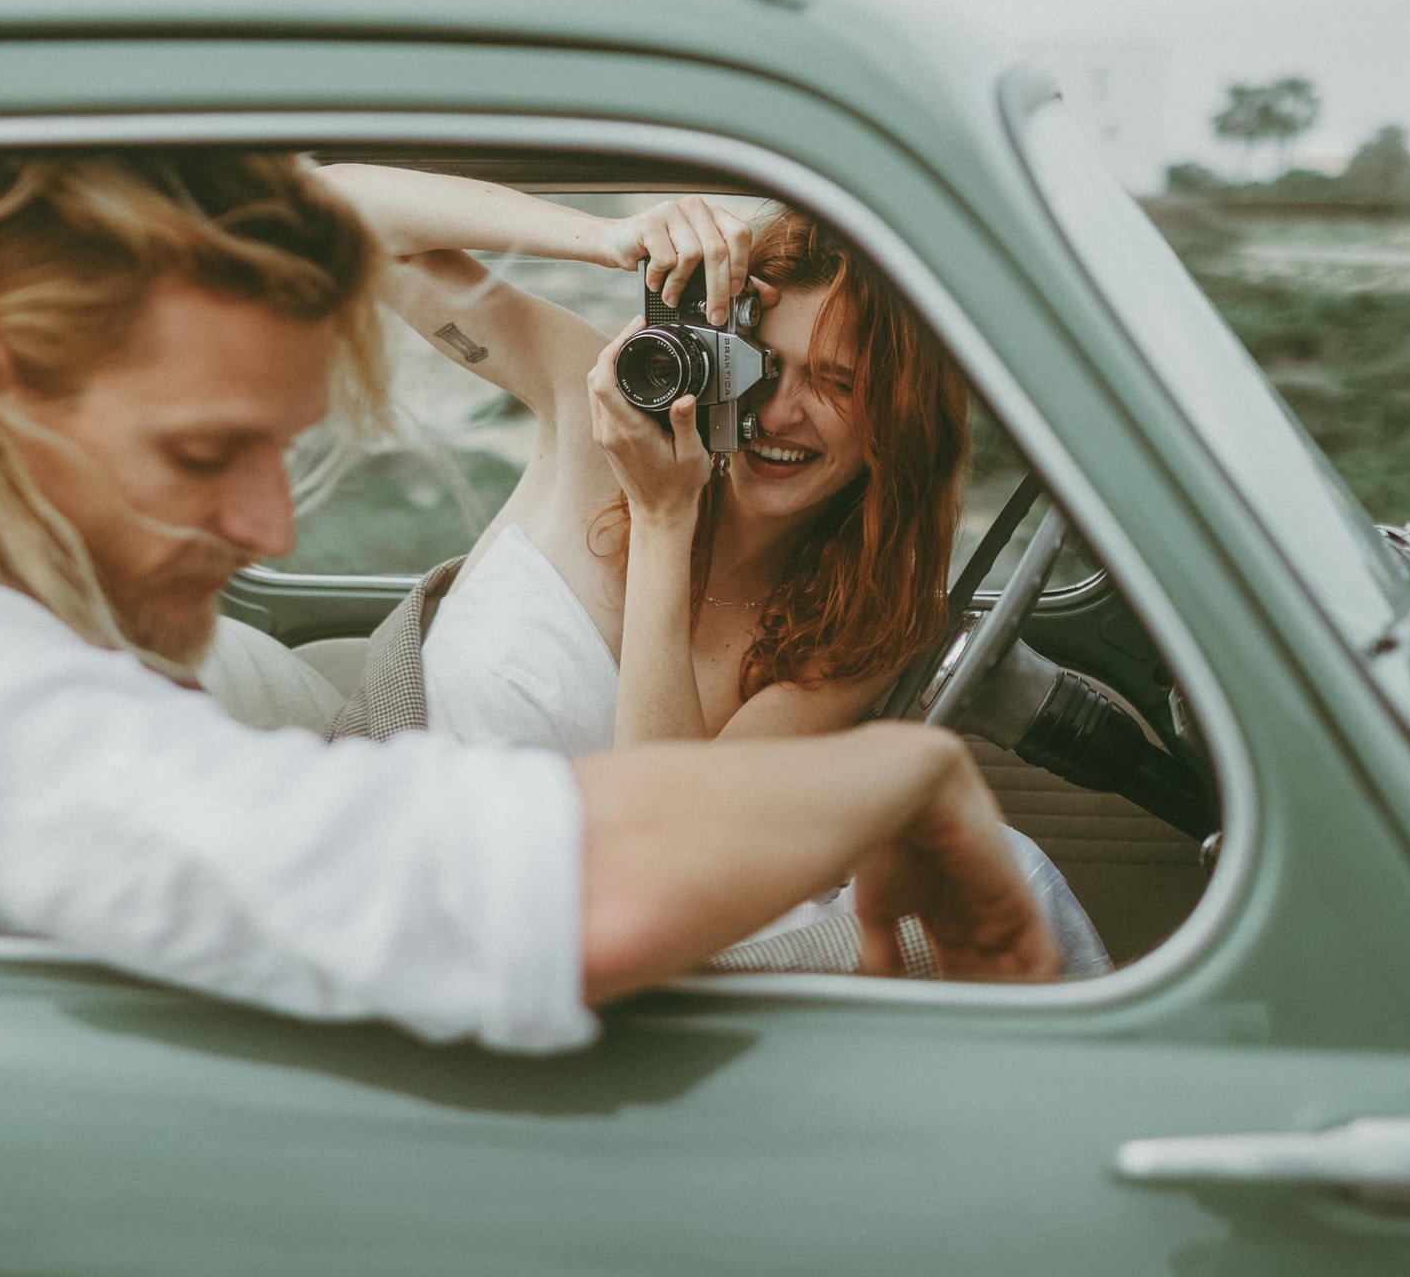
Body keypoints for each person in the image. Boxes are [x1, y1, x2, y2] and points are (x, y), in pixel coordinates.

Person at [0, 150, 1059, 1054]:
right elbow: (551, 888)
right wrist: (920, 774)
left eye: (278, 447)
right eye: (201, 453)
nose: (272, 524)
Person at [315, 165, 1108, 975]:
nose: (775, 411)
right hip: (392, 882)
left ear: (897, 424)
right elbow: (333, 209)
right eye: (759, 361)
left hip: (573, 948)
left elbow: (663, 853)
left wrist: (666, 518)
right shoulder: (596, 410)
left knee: (1012, 874)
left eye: (835, 383)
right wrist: (609, 240)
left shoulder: (863, 624)